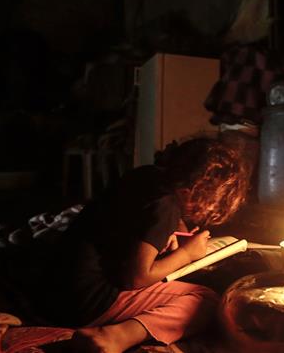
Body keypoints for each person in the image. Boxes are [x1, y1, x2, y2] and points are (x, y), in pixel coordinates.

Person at [38, 138, 249, 353]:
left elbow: (134, 228)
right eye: (211, 205)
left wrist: (172, 232)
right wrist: (187, 254)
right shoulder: (165, 205)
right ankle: (116, 336)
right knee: (205, 300)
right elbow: (137, 277)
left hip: (58, 287)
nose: (207, 212)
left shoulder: (147, 176)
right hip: (87, 301)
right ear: (198, 191)